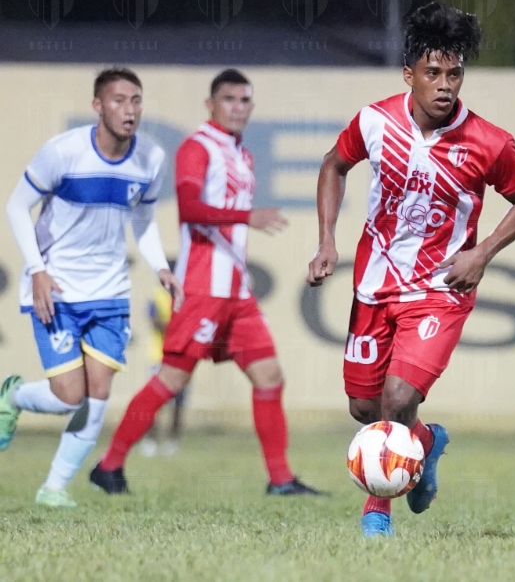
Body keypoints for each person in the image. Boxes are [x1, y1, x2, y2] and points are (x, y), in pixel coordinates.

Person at [307, 3, 515, 536]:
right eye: (432, 73)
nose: (445, 86)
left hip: (440, 288)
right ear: (408, 74)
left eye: (454, 74)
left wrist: (481, 254)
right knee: (365, 407)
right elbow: (333, 165)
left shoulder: (489, 142)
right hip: (374, 285)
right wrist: (327, 240)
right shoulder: (375, 121)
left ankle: (377, 514)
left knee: (397, 398)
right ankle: (428, 442)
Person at [92, 69, 323, 496]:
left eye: (245, 100)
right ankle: (109, 466)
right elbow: (191, 208)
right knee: (173, 379)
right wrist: (246, 217)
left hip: (236, 290)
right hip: (202, 287)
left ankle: (281, 479)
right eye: (230, 99)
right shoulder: (197, 147)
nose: (238, 107)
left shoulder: (243, 155)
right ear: (211, 104)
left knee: (270, 376)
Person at [0, 67, 183, 508]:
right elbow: (17, 205)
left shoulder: (151, 158)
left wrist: (160, 266)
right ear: (97, 106)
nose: (130, 110)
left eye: (136, 100)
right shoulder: (63, 153)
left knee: (98, 394)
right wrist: (38, 269)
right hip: (56, 288)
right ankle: (14, 395)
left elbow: (143, 218)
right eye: (119, 100)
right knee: (69, 396)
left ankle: (54, 489)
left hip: (109, 292)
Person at [140, 281, 186, 457]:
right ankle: (151, 441)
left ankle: (173, 442)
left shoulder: (185, 295)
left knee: (179, 403)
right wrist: (176, 330)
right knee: (154, 402)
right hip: (158, 357)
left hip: (181, 357)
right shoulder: (156, 294)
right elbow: (153, 321)